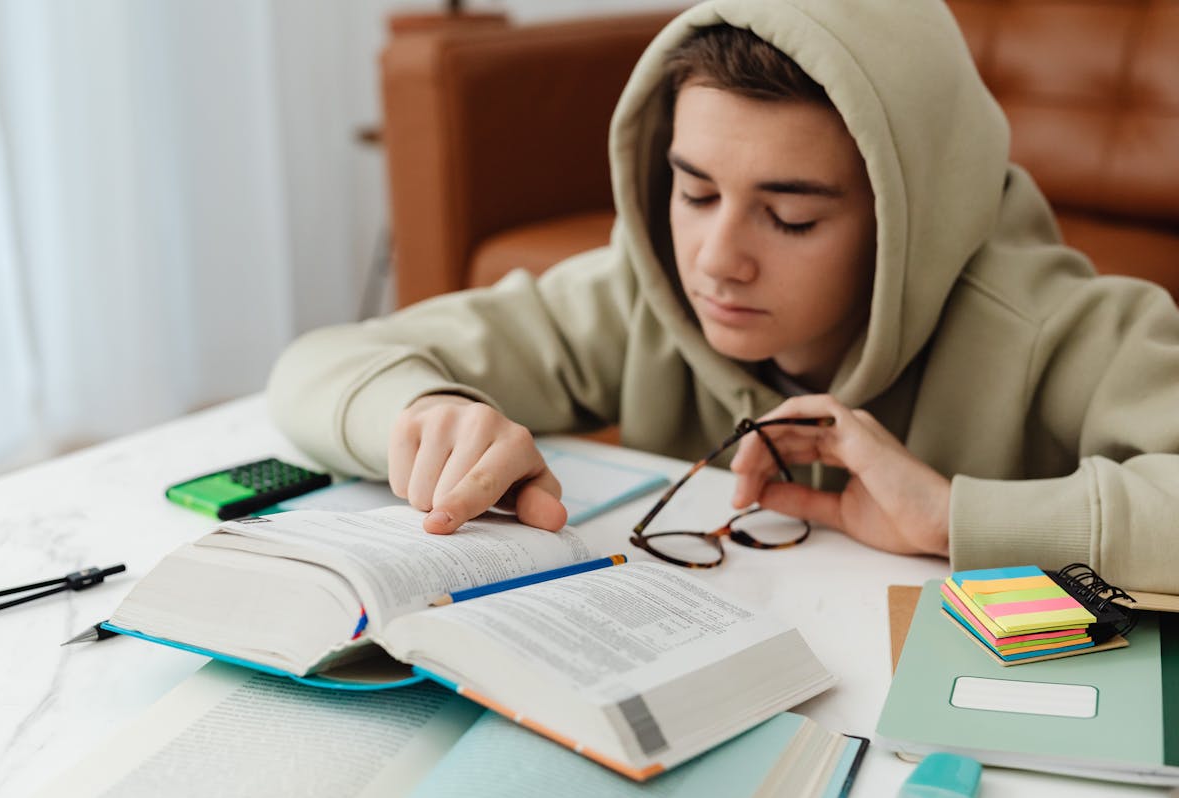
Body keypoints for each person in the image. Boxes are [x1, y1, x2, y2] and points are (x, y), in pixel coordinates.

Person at [268, 0, 1179, 594]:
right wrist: (430, 413)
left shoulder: (1065, 328)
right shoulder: (645, 288)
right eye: (694, 191)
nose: (715, 260)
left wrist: (951, 514)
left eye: (788, 217)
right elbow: (320, 366)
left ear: (912, 225)